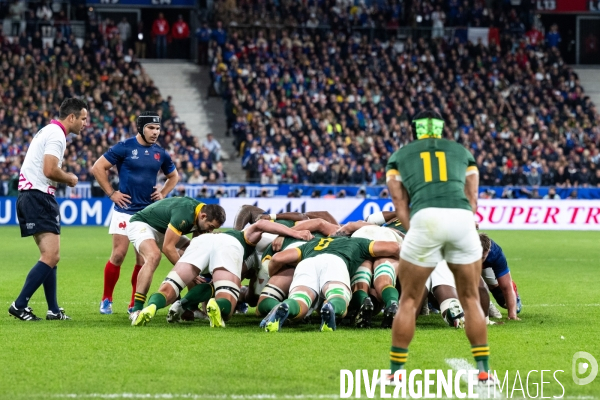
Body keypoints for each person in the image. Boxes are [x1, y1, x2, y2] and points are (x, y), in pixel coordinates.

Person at [384, 110, 492, 384]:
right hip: (461, 217)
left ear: (415, 130)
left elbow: (399, 205)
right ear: (441, 129)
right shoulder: (462, 152)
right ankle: (483, 371)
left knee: (408, 300)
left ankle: (396, 373)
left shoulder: (399, 156)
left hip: (425, 217)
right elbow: (473, 199)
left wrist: (415, 229)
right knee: (469, 298)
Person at [132, 220, 314, 327]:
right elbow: (261, 223)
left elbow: (257, 219)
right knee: (228, 300)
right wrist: (292, 233)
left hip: (201, 242)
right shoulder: (258, 238)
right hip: (232, 250)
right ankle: (217, 305)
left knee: (170, 285)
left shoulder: (238, 232)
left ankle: (153, 307)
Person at [91, 111, 179, 315]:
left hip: (147, 215)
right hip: (124, 211)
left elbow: (173, 176)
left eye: (157, 128)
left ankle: (133, 303)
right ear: (141, 128)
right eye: (151, 128)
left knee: (142, 260)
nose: (155, 132)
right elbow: (98, 167)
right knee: (118, 254)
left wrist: (163, 193)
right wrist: (112, 193)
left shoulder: (160, 153)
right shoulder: (125, 147)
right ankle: (106, 299)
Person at [9, 98, 88, 321]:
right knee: (51, 255)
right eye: (83, 118)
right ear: (71, 117)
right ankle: (19, 304)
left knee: (50, 256)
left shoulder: (48, 130)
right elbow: (49, 170)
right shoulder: (56, 134)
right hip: (38, 195)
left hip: (31, 195)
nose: (85, 123)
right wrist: (69, 178)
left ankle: (53, 310)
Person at [127, 198, 226, 319]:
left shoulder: (202, 214)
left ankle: (191, 307)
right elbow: (168, 247)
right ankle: (136, 309)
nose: (210, 231)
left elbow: (197, 245)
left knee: (194, 254)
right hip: (142, 224)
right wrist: (187, 272)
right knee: (154, 256)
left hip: (164, 229)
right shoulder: (185, 214)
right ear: (203, 216)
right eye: (210, 227)